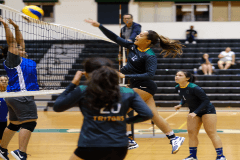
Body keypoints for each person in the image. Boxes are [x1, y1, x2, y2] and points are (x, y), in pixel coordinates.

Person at [85, 18, 185, 154]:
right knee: (154, 116)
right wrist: (99, 26)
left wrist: (125, 76)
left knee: (120, 109)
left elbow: (150, 74)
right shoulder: (132, 46)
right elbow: (114, 37)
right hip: (140, 87)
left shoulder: (150, 56)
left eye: (141, 35)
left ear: (148, 41)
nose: (137, 35)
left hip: (145, 87)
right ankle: (174, 138)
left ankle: (129, 140)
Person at [53, 57, 153, 160]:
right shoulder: (128, 92)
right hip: (119, 147)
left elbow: (57, 106)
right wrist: (126, 120)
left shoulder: (83, 90)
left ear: (87, 74)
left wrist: (73, 83)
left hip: (91, 145)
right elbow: (147, 114)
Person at [0, 17, 39, 160]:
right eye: (17, 48)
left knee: (15, 124)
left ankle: (2, 149)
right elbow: (12, 42)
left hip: (14, 96)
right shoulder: (13, 60)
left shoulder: (25, 59)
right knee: (30, 122)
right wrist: (5, 25)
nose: (20, 47)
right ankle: (20, 152)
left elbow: (19, 42)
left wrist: (16, 27)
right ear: (11, 52)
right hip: (20, 95)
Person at [174, 70, 227, 160]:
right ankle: (193, 156)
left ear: (187, 78)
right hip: (194, 112)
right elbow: (184, 97)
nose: (176, 77)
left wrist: (195, 112)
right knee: (191, 133)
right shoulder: (177, 87)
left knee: (211, 133)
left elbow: (206, 100)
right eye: (176, 75)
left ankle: (221, 156)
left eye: (180, 75)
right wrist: (181, 104)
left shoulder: (195, 87)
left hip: (207, 110)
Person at [0, 76, 8, 145]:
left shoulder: (10, 93)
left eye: (5, 80)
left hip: (3, 120)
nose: (4, 81)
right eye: (1, 80)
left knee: (2, 138)